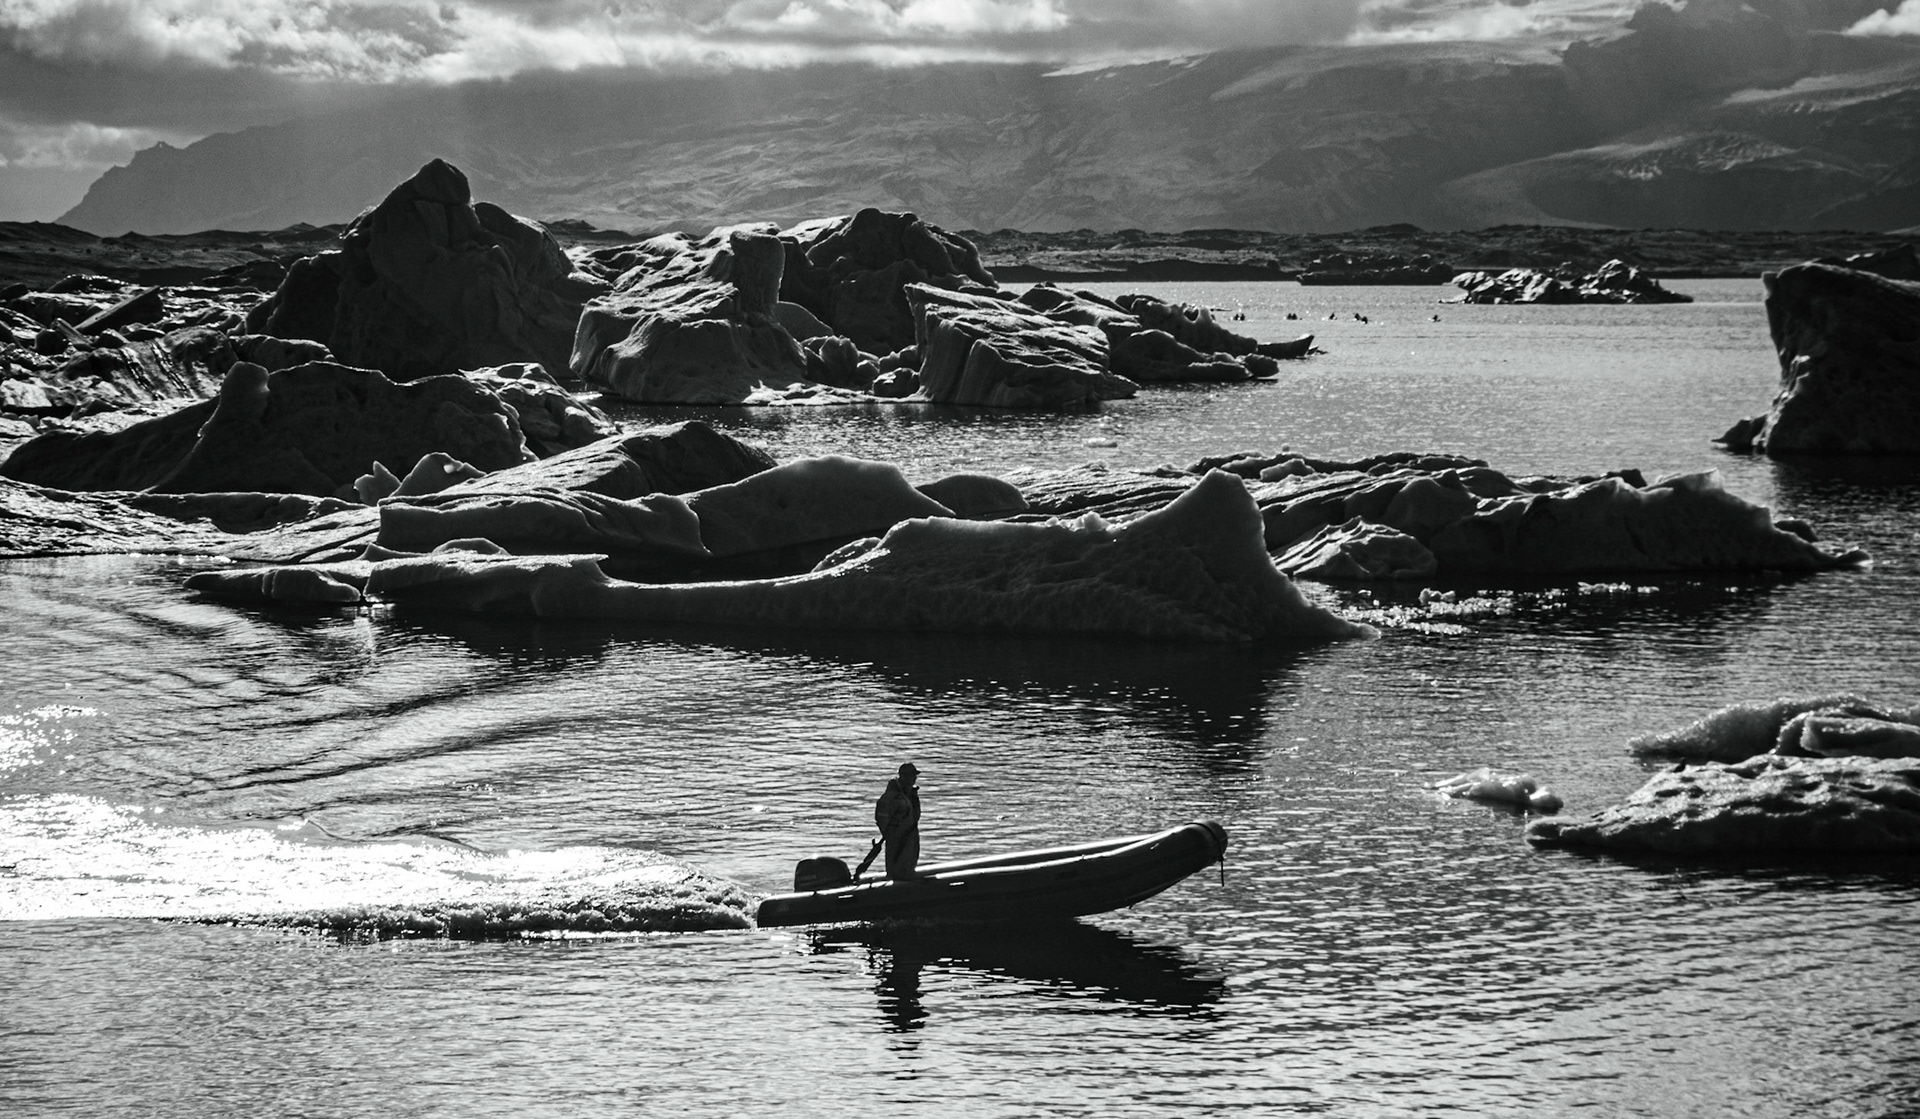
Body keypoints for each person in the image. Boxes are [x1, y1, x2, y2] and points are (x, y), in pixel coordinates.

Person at [874, 762, 921, 879]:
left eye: (915, 775)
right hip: (897, 840)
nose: (914, 778)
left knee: (909, 865)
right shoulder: (892, 796)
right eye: (911, 775)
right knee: (897, 868)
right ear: (903, 776)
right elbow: (881, 818)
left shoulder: (911, 794)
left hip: (911, 837)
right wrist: (893, 834)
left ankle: (909, 877)